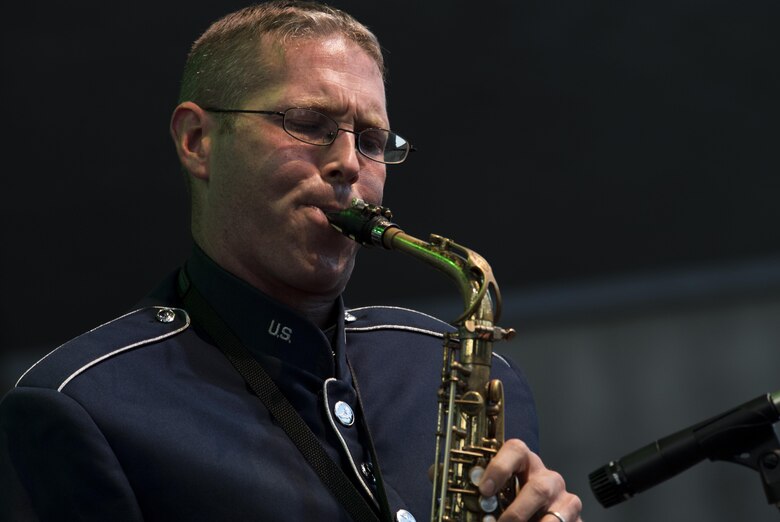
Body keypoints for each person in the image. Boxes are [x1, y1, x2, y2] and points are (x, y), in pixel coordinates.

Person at [0, 2, 583, 521]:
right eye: (308, 124)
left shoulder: (458, 368)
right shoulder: (84, 406)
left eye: (372, 141)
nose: (350, 164)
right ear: (198, 140)